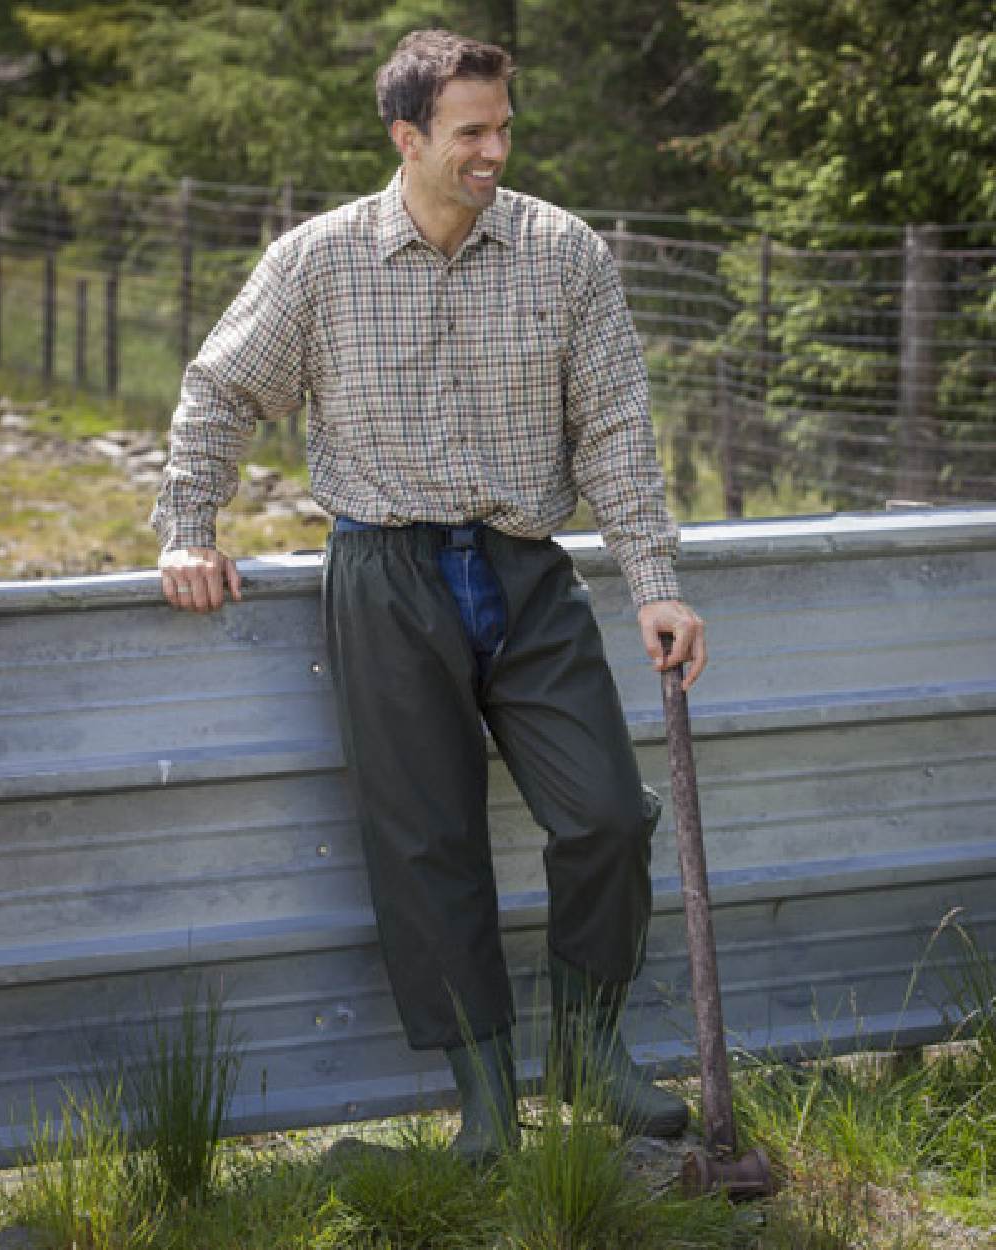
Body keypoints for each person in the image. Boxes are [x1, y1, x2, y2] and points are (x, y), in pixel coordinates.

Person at [153, 29, 707, 1164]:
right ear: (407, 138)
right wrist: (185, 529)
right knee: (427, 844)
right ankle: (488, 1102)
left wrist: (654, 581)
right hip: (385, 572)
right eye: (470, 132)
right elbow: (217, 390)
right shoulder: (319, 260)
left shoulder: (563, 253)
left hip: (523, 567)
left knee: (606, 812)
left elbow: (613, 426)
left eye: (503, 126)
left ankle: (594, 1053)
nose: (495, 149)